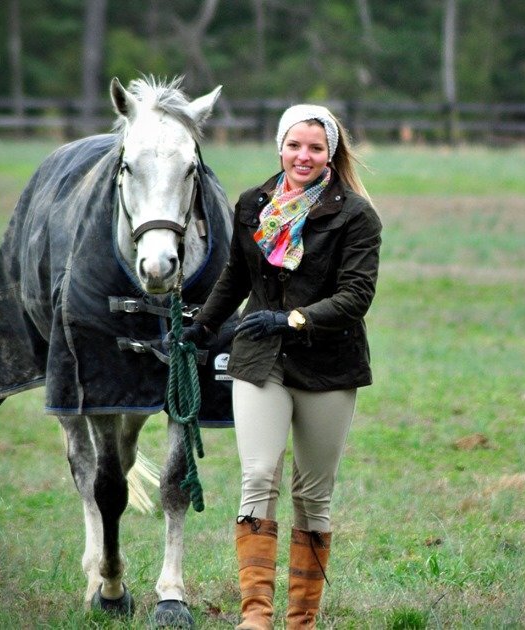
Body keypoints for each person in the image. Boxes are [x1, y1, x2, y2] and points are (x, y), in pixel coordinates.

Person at [181, 104, 382, 629]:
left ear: (330, 155)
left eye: (316, 148)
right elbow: (234, 279)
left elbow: (356, 296)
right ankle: (255, 616)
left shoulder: (356, 216)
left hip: (329, 367)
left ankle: (301, 621)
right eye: (295, 145)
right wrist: (201, 327)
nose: (304, 156)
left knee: (313, 495)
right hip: (259, 361)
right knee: (258, 476)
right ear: (280, 147)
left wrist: (292, 319)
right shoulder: (253, 204)